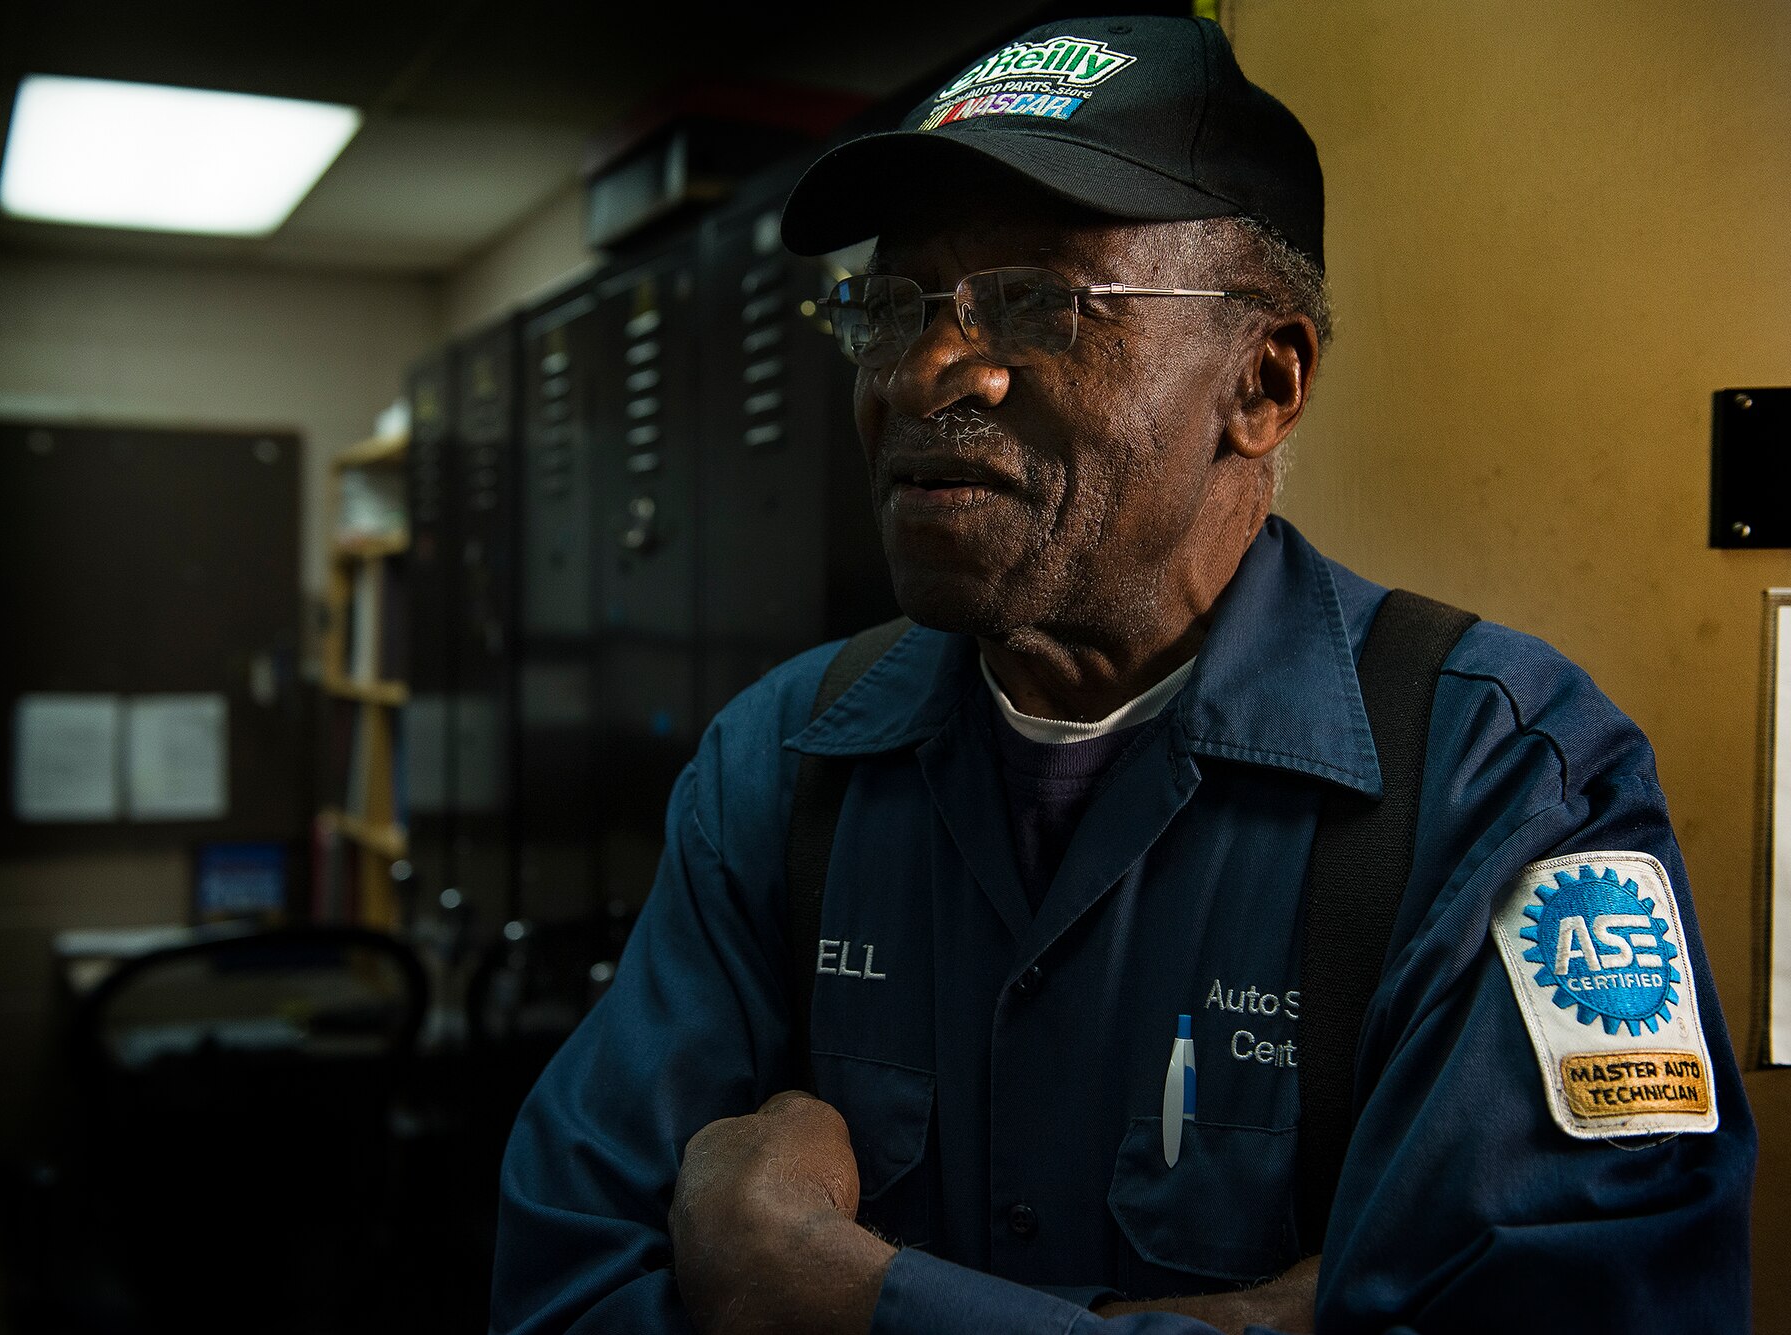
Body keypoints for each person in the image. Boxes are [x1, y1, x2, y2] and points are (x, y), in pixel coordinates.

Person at [492, 16, 1755, 1334]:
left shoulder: (1507, 786)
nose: (926, 370)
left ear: (1264, 381)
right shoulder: (780, 763)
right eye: (892, 306)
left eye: (1039, 300)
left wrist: (827, 1294)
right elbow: (566, 1287)